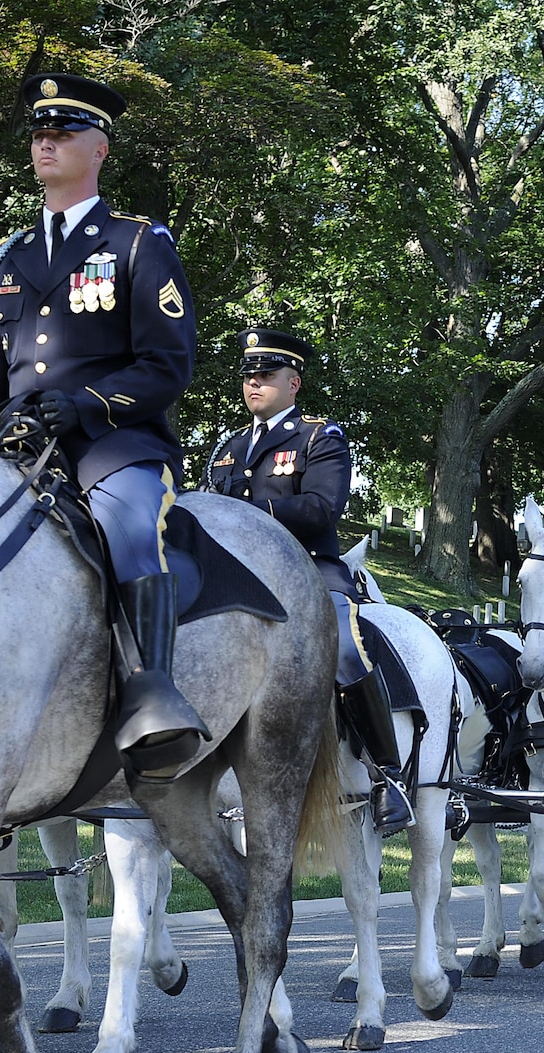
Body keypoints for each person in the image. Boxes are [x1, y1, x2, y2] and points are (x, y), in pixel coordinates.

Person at [0, 73, 207, 781]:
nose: (45, 142)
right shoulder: (5, 258)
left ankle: (153, 696)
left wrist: (90, 404)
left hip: (114, 446)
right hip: (16, 449)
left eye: (62, 133)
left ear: (98, 149)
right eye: (40, 133)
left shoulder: (137, 243)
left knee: (131, 527)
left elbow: (169, 364)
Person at [203, 328, 413, 832]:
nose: (254, 384)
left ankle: (388, 775)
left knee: (345, 648)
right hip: (235, 573)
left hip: (307, 569)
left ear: (293, 383)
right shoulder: (227, 448)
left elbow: (322, 509)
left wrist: (248, 512)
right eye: (249, 376)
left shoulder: (320, 437)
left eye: (266, 376)